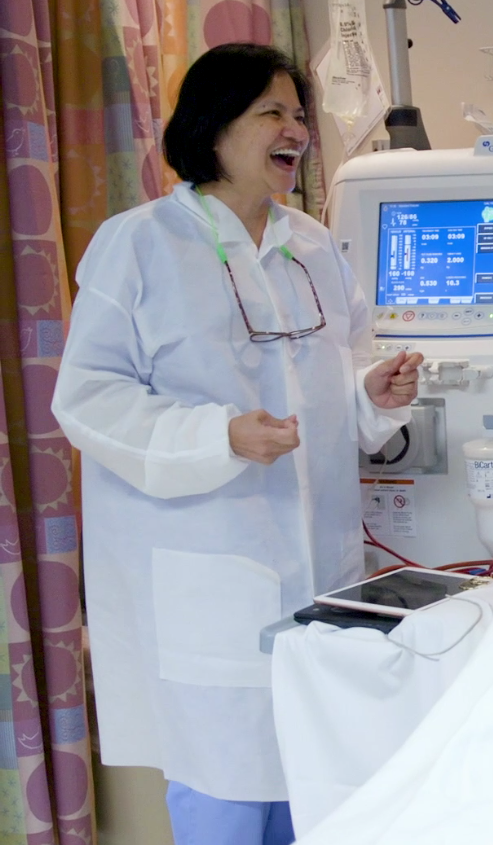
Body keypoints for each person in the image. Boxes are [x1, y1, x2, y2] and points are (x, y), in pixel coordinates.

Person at [51, 44, 424, 845]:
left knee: (317, 792)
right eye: (273, 113)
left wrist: (374, 393)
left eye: (300, 114)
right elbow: (88, 398)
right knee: (222, 798)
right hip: (206, 584)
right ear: (215, 127)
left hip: (321, 580)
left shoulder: (314, 247)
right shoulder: (139, 244)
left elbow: (341, 381)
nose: (297, 131)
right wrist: (216, 436)